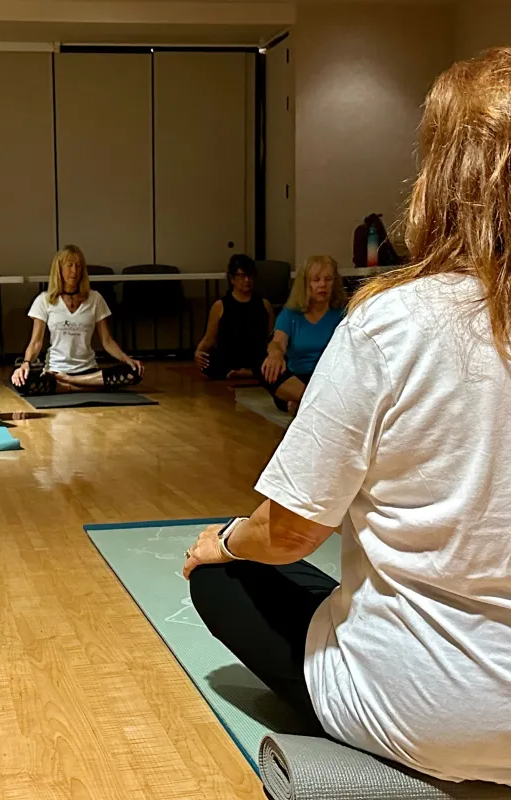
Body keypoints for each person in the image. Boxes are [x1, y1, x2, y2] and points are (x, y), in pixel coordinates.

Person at [183, 47, 511, 786]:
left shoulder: (389, 322)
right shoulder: (320, 319)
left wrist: (226, 542)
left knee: (221, 576)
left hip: (421, 715)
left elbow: (293, 530)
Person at [11, 245, 144, 395]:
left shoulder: (95, 299)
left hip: (88, 371)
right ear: (59, 269)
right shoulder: (44, 300)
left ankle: (69, 383)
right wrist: (25, 364)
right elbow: (36, 342)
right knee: (21, 382)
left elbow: (107, 340)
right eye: (69, 266)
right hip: (56, 370)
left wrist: (127, 360)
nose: (74, 271)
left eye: (78, 266)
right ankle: (85, 386)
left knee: (134, 372)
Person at [261, 255, 346, 412]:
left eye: (328, 279)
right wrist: (275, 355)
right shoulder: (290, 314)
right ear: (306, 284)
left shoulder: (343, 314)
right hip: (297, 379)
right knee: (266, 366)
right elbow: (278, 341)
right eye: (316, 280)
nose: (322, 285)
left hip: (329, 378)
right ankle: (313, 402)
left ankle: (304, 404)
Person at [194, 254, 274, 380]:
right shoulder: (220, 306)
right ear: (232, 279)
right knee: (210, 362)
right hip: (229, 357)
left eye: (250, 276)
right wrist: (199, 352)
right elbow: (209, 338)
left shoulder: (264, 305)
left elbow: (271, 338)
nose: (247, 280)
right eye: (242, 276)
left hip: (255, 356)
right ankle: (239, 371)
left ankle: (251, 372)